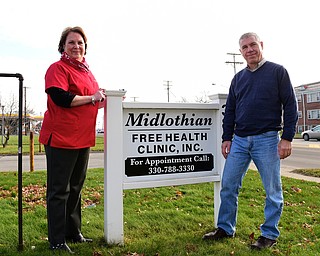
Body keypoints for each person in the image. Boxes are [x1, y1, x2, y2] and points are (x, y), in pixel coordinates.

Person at [202, 32, 298, 250]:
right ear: (241, 52)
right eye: (244, 47)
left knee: (272, 190)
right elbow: (232, 111)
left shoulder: (277, 72)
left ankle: (269, 234)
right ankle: (225, 228)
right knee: (228, 186)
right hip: (240, 141)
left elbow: (291, 106)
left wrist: (287, 138)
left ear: (261, 45)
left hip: (267, 139)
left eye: (253, 45)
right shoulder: (238, 79)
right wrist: (227, 137)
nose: (249, 50)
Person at [39, 26, 106, 254]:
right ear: (63, 46)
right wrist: (92, 97)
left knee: (76, 187)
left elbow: (92, 101)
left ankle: (73, 232)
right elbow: (62, 98)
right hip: (61, 137)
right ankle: (57, 240)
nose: (76, 46)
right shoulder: (57, 68)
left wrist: (109, 99)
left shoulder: (87, 71)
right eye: (71, 43)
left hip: (83, 137)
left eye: (80, 43)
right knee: (59, 190)